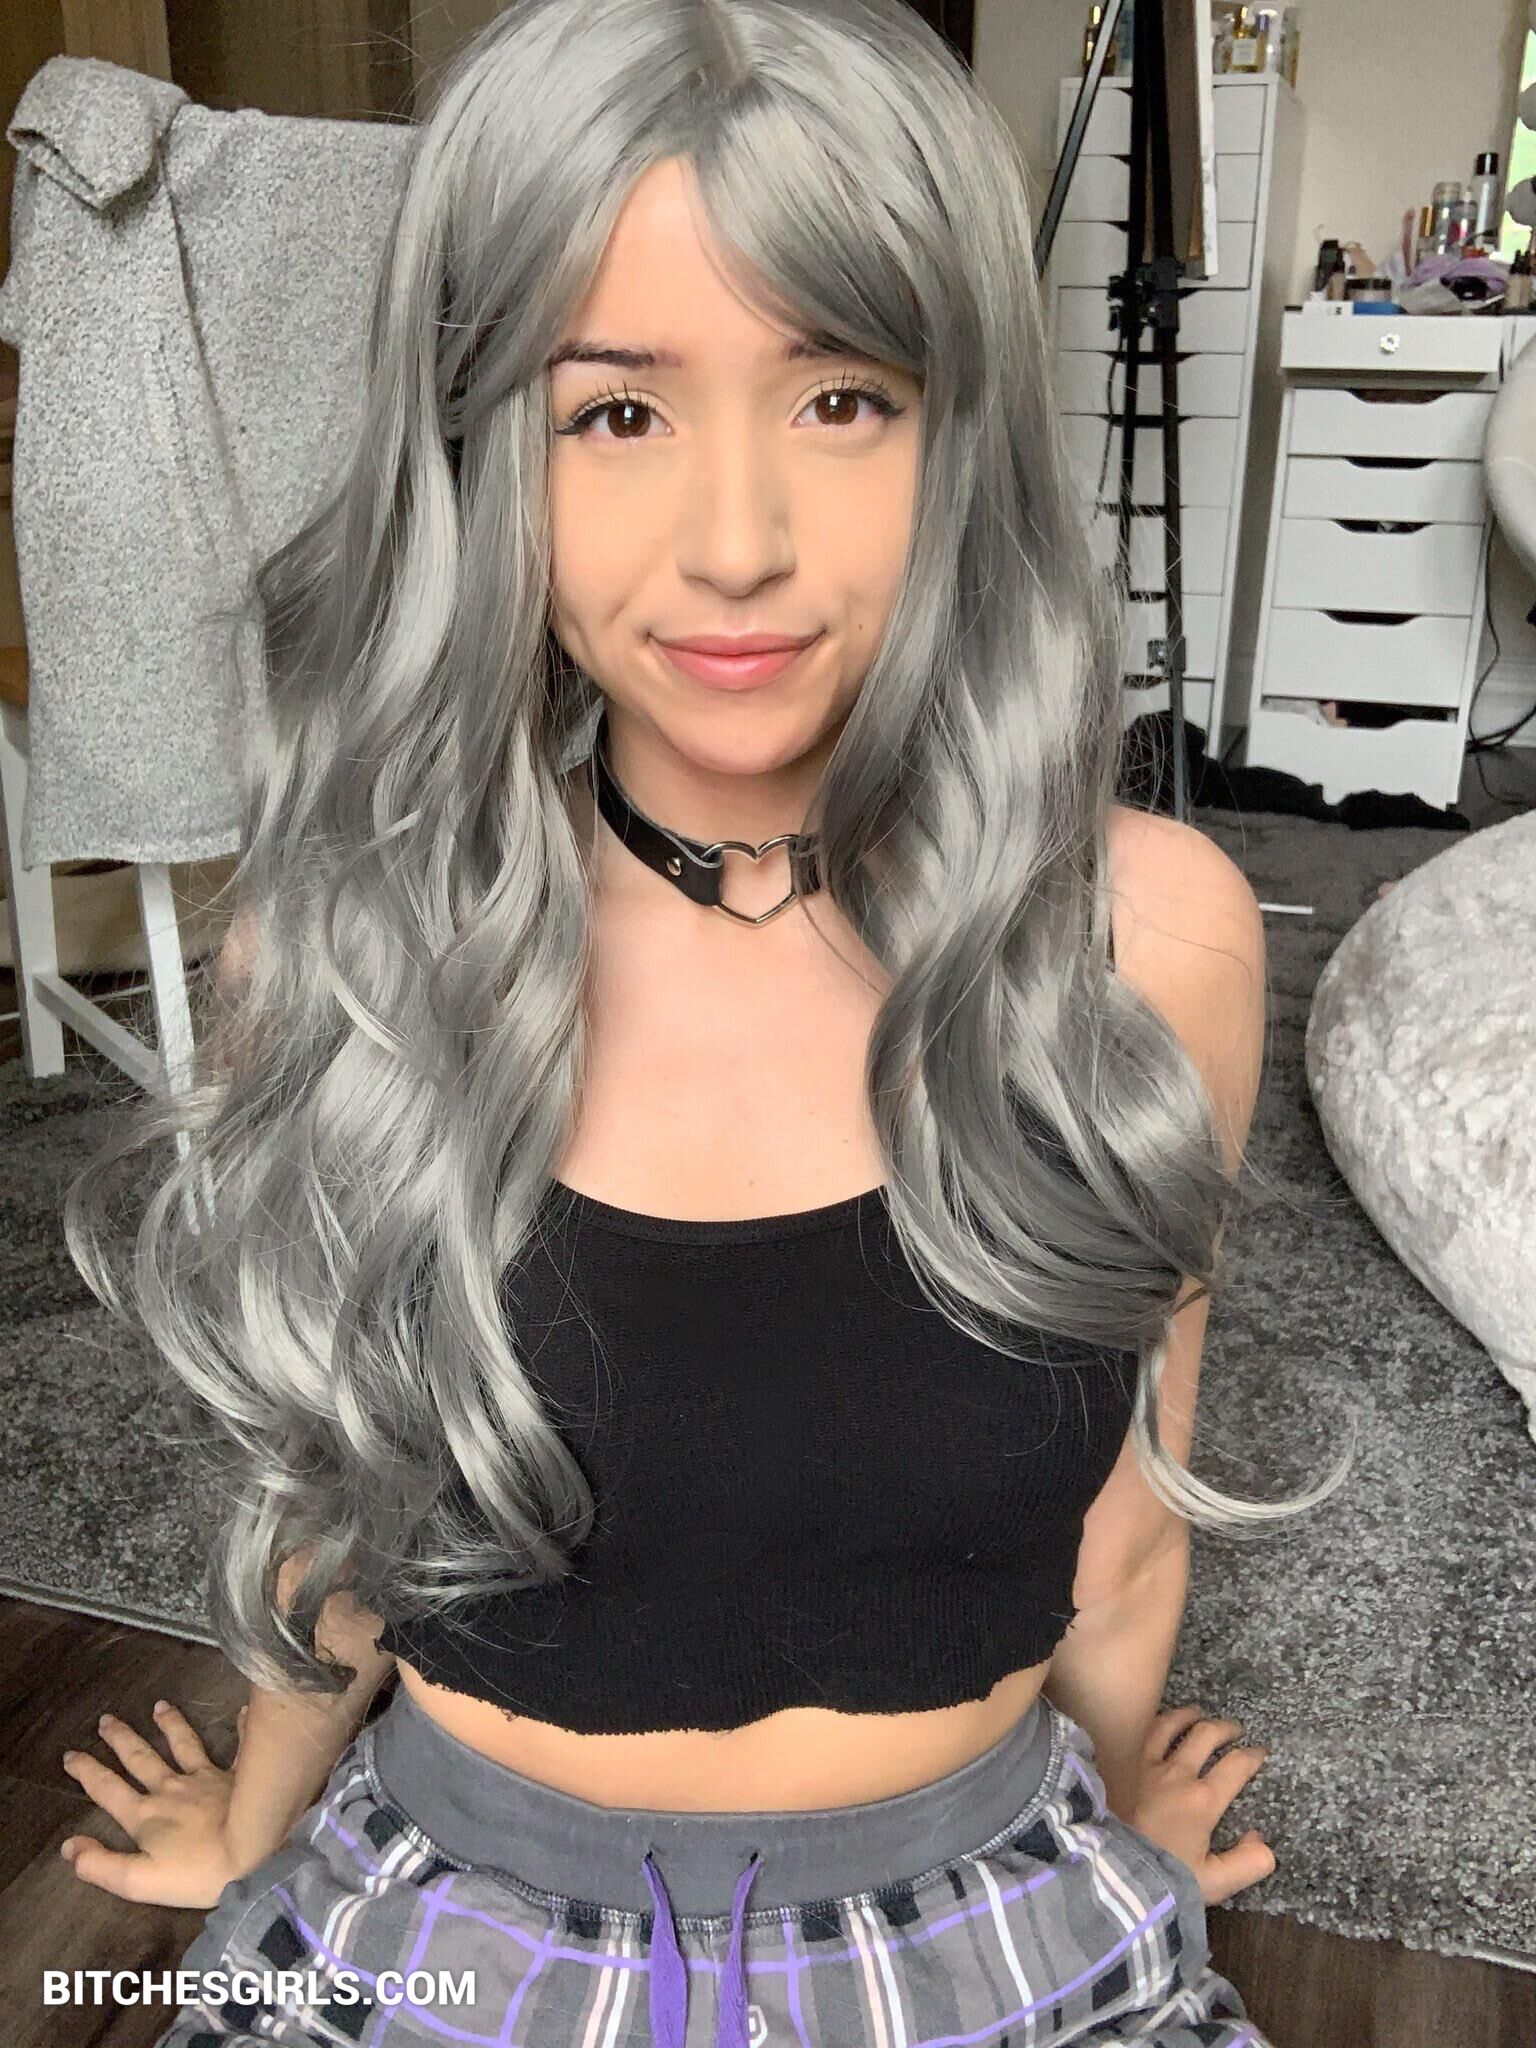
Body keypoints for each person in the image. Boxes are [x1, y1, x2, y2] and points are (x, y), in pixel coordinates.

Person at [57, 2, 1343, 2041]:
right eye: (615, 414)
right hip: (458, 1936)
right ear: (480, 452)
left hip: (984, 1923)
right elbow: (340, 1497)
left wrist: (1113, 1833)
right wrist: (257, 1811)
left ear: (960, 435)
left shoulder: (1142, 941)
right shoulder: (353, 945)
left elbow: (1119, 1516)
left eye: (842, 398)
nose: (737, 543)